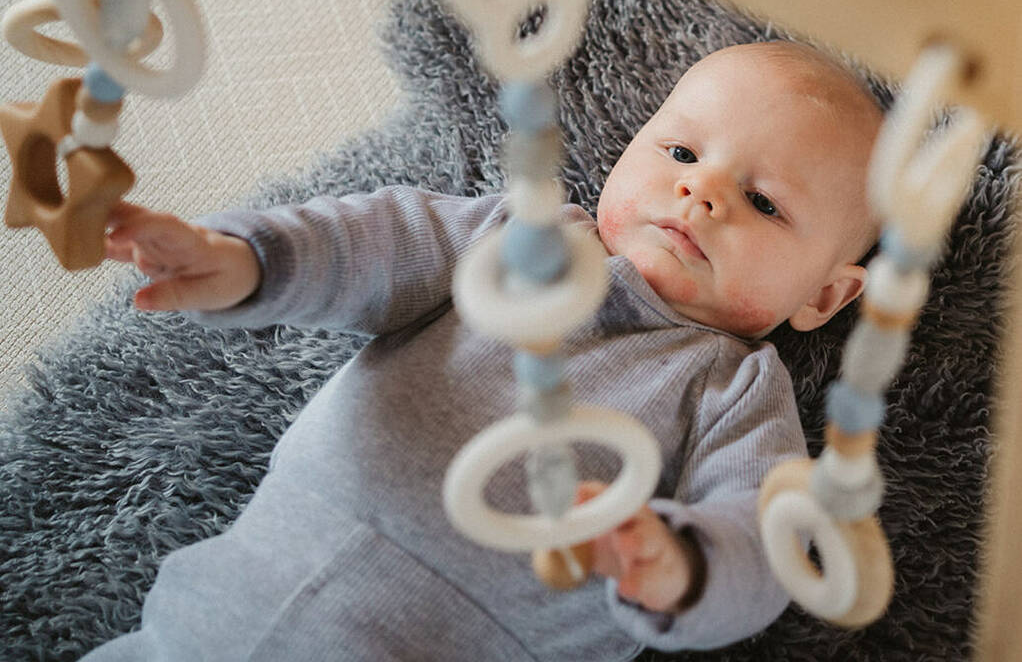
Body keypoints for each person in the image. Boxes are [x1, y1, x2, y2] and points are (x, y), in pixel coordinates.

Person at [82, 39, 883, 662]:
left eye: (763, 202)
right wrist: (245, 260)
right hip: (217, 612)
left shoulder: (733, 389)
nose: (700, 192)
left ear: (822, 296)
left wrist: (679, 563)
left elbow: (764, 535)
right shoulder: (521, 240)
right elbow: (376, 241)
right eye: (680, 153)